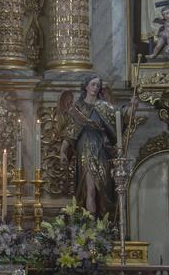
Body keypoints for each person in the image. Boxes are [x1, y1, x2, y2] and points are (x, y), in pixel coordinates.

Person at [57, 76, 137, 218]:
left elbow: (122, 115)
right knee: (90, 188)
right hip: (85, 150)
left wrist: (133, 107)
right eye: (93, 84)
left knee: (104, 187)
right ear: (86, 86)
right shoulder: (78, 108)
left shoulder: (104, 106)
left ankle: (102, 223)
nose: (95, 88)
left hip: (102, 150)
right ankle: (90, 225)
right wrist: (63, 150)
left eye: (98, 85)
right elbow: (71, 132)